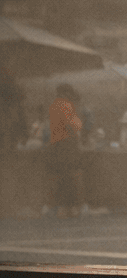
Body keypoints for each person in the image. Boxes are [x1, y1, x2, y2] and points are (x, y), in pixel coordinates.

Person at [46, 83, 84, 216]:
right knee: (71, 175)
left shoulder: (53, 106)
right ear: (66, 93)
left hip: (56, 144)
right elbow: (73, 125)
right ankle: (71, 207)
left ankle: (61, 207)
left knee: (60, 175)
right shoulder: (66, 105)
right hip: (67, 144)